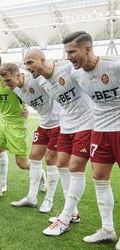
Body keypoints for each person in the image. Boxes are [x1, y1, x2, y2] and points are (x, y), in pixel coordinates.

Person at [23, 48, 94, 236]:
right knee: (61, 163)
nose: (27, 67)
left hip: (86, 123)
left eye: (30, 62)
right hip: (66, 124)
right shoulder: (39, 80)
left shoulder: (68, 69)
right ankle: (74, 213)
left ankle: (65, 217)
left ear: (42, 59)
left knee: (75, 166)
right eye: (25, 64)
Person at [62, 31, 120, 246]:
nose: (68, 57)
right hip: (99, 130)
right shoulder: (75, 74)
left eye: (72, 52)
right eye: (66, 52)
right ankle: (107, 229)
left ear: (87, 49)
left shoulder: (114, 65)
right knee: (99, 178)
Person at [1, 63, 62, 213]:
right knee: (34, 157)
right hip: (44, 125)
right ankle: (31, 197)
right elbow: (27, 98)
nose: (6, 84)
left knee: (50, 160)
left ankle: (49, 200)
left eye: (8, 80)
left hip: (59, 123)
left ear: (18, 75)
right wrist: (25, 109)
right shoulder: (15, 89)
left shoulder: (35, 80)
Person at [0, 53, 32, 201]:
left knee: (22, 164)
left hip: (17, 123)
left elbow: (28, 92)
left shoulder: (11, 79)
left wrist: (26, 108)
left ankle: (40, 174)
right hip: (2, 121)